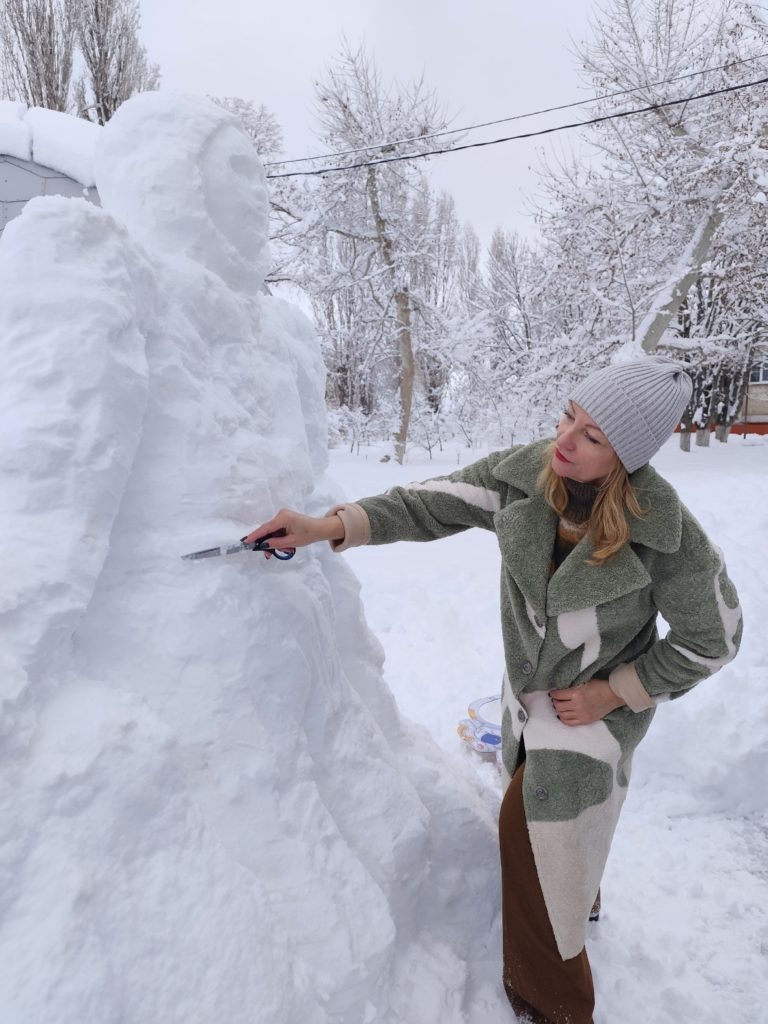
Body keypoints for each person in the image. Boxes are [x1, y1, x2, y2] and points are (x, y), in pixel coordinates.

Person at [244, 358, 742, 1024]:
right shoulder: (525, 479)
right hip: (527, 699)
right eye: (569, 414)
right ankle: (581, 892)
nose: (565, 439)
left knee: (532, 828)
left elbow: (715, 638)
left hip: (595, 714)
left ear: (626, 458)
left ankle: (555, 1004)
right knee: (557, 823)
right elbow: (430, 502)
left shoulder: (665, 537)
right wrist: (328, 526)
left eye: (593, 436)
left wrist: (615, 692)